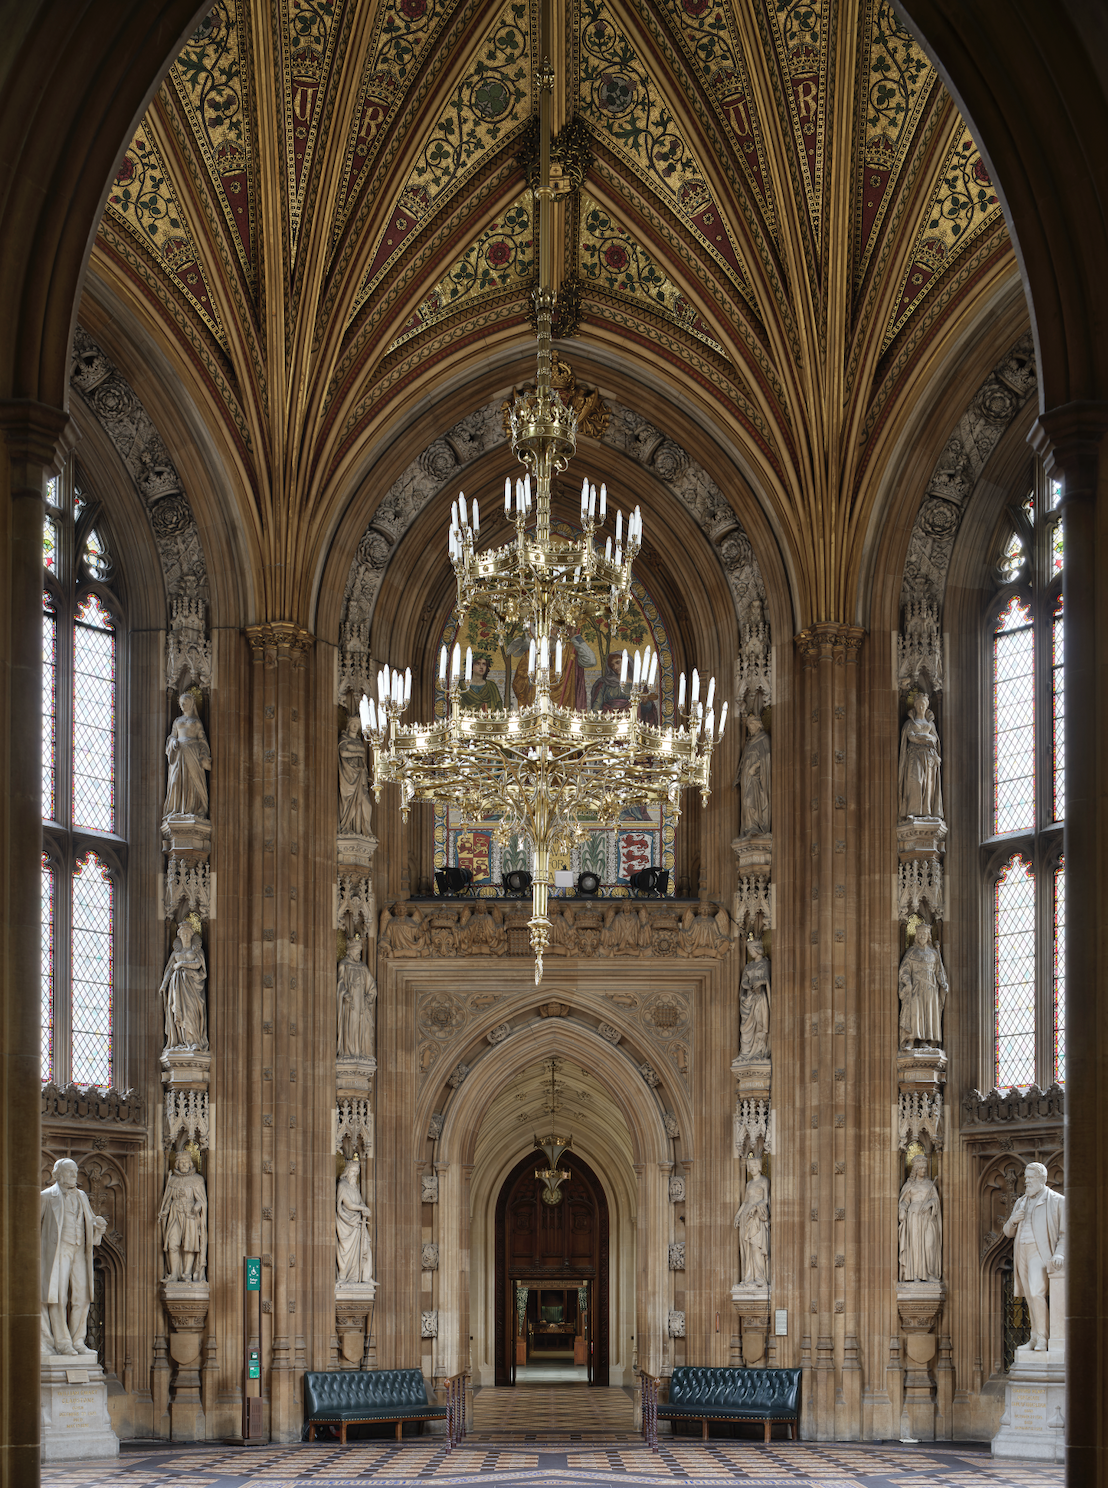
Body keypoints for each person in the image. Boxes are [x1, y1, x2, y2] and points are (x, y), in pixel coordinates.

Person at [40, 1158, 107, 1355]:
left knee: (83, 1296)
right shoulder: (45, 1197)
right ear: (57, 1175)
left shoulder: (82, 1196)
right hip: (57, 1251)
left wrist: (98, 1227)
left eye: (75, 1172)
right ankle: (62, 1343)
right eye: (69, 1172)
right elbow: (32, 1229)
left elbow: (88, 1222)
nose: (73, 1176)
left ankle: (78, 1340)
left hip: (79, 1250)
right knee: (58, 1297)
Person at [1002, 1161, 1065, 1350]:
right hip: (1022, 1250)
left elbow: (1066, 1234)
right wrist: (1013, 1220)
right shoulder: (1021, 1201)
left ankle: (1044, 1338)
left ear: (1041, 1179)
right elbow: (1007, 1232)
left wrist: (1060, 1254)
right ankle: (1035, 1337)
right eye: (1026, 1178)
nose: (1026, 1181)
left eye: (1030, 1178)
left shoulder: (1057, 1200)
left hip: (1041, 1252)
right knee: (1029, 1296)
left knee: (1037, 1292)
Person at [158, 1150, 208, 1283]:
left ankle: (186, 1274)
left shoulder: (197, 1180)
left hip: (190, 1215)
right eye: (181, 1163)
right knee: (172, 1243)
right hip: (175, 1214)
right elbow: (167, 1201)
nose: (184, 1165)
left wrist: (197, 1206)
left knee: (189, 1245)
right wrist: (165, 1211)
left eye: (186, 1162)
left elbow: (202, 1200)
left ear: (191, 1163)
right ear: (177, 1165)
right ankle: (174, 1274)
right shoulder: (172, 1180)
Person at [160, 919, 208, 1051]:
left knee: (191, 1011)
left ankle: (193, 1041)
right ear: (179, 936)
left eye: (187, 934)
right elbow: (169, 969)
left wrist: (181, 965)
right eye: (183, 934)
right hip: (177, 986)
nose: (185, 937)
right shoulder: (176, 954)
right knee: (179, 1010)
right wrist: (164, 985)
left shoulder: (197, 951)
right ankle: (180, 1041)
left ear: (192, 935)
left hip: (192, 987)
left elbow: (198, 965)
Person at [897, 922, 947, 1049]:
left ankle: (925, 1040)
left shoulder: (934, 954)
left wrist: (942, 982)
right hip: (916, 988)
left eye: (924, 934)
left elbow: (939, 972)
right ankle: (911, 1040)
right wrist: (907, 982)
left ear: (928, 936)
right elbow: (904, 970)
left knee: (928, 1013)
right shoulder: (911, 952)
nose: (922, 936)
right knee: (915, 1012)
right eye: (920, 934)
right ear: (916, 936)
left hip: (930, 989)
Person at [163, 691, 211, 819]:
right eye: (181, 703)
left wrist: (204, 754)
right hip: (179, 754)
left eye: (186, 702)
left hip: (193, 753)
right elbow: (172, 736)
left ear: (191, 703)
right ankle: (177, 809)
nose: (183, 704)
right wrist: (173, 742)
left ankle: (193, 809)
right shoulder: (177, 721)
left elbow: (202, 740)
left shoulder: (196, 722)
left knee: (193, 781)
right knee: (175, 781)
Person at [898, 690, 943, 820]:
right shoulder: (909, 724)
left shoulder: (931, 724)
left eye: (923, 705)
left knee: (928, 784)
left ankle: (927, 812)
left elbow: (935, 740)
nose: (921, 707)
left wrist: (924, 737)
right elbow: (911, 738)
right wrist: (926, 738)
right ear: (915, 706)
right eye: (919, 705)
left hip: (929, 757)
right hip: (913, 755)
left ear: (927, 706)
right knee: (915, 781)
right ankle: (913, 810)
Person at [898, 1154, 942, 1282]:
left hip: (928, 1218)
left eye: (925, 1168)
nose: (924, 1170)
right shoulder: (910, 1185)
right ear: (916, 1169)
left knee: (929, 1244)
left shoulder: (930, 1184)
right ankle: (916, 1275)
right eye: (921, 1168)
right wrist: (902, 1210)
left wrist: (930, 1203)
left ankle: (930, 1274)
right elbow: (904, 1201)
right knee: (916, 1246)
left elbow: (936, 1200)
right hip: (914, 1218)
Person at [337, 936, 377, 1059]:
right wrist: (345, 993)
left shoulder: (363, 967)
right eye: (356, 952)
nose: (358, 955)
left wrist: (368, 999)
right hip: (350, 1004)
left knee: (363, 1028)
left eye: (359, 952)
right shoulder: (344, 965)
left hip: (362, 1004)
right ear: (349, 951)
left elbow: (372, 987)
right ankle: (348, 1052)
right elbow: (340, 982)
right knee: (351, 1026)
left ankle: (361, 1052)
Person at [336, 1156, 374, 1284]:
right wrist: (362, 1208)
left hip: (358, 1223)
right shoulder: (343, 1185)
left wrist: (364, 1208)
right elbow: (349, 1204)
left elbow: (360, 1201)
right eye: (353, 1171)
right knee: (347, 1251)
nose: (355, 1174)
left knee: (365, 1248)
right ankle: (345, 1277)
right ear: (347, 1171)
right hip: (347, 1224)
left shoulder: (355, 1187)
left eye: (357, 1172)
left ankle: (365, 1277)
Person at [734, 1153, 770, 1285]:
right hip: (746, 1217)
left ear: (759, 1166)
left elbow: (766, 1200)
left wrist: (756, 1207)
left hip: (757, 1217)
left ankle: (760, 1277)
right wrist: (738, 1215)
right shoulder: (748, 1184)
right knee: (747, 1249)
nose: (752, 1168)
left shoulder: (764, 1181)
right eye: (750, 1166)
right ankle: (749, 1277)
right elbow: (745, 1202)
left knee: (756, 1248)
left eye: (754, 1165)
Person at [338, 716, 375, 836]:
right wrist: (358, 753)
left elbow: (363, 761)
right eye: (353, 723)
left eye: (357, 724)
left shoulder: (359, 741)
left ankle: (365, 829)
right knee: (350, 801)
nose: (355, 726)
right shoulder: (344, 738)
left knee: (365, 803)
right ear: (348, 725)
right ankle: (347, 826)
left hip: (360, 775)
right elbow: (342, 752)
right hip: (348, 775)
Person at [736, 714, 771, 835]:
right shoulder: (748, 743)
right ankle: (748, 827)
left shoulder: (764, 739)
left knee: (752, 801)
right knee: (746, 802)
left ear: (758, 724)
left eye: (751, 724)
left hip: (756, 779)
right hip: (746, 779)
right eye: (748, 724)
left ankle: (755, 826)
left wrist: (755, 767)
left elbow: (766, 757)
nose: (749, 727)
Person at [739, 938, 771, 1059]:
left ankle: (759, 1051)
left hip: (760, 997)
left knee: (760, 1022)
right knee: (745, 1027)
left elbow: (768, 979)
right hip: (750, 997)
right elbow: (743, 982)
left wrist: (761, 982)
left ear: (757, 949)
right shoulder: (748, 966)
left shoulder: (766, 964)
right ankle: (746, 1053)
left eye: (751, 950)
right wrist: (749, 986)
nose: (750, 952)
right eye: (749, 950)